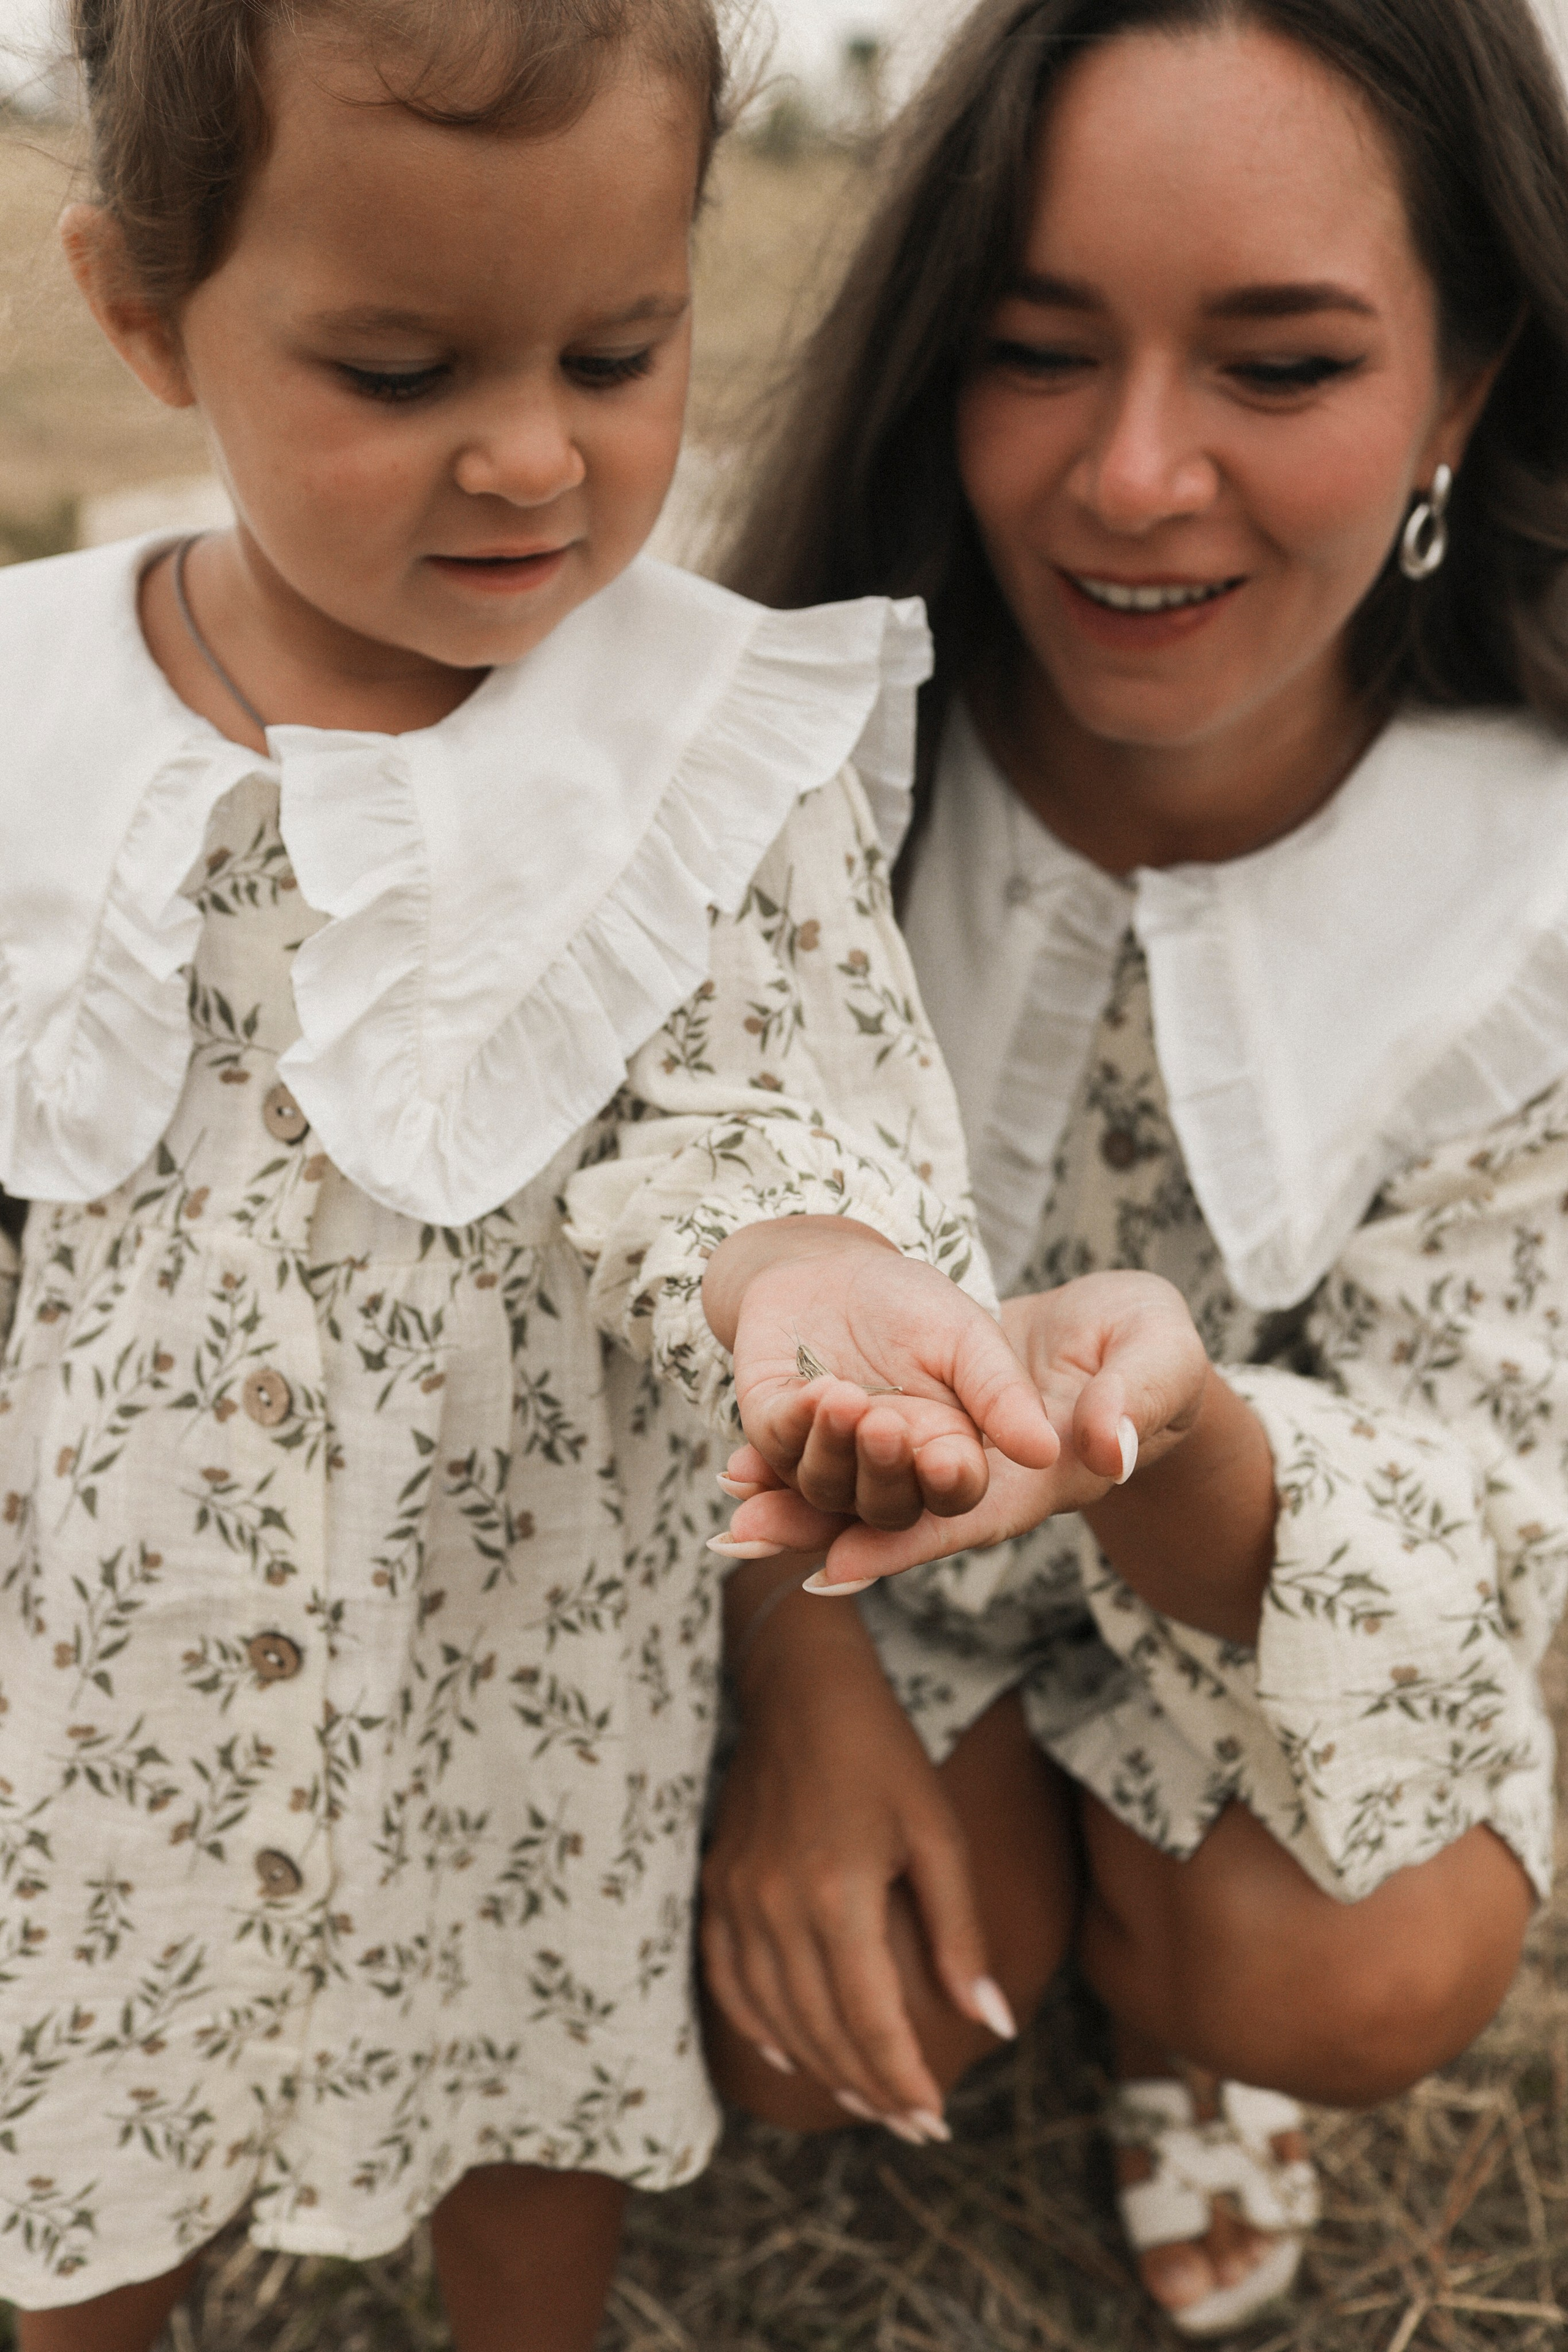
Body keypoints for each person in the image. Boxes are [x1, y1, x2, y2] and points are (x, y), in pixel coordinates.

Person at [0, 1, 1212, 2342]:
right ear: (145, 316)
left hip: (530, 1636)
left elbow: (763, 1116)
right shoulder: (42, 706)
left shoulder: (692, 744)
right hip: (107, 1650)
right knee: (83, 2113)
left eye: (616, 348)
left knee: (534, 2092)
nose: (533, 458)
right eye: (398, 372)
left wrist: (814, 1286)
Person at [704, 0, 1568, 2334]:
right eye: (1033, 349)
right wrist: (802, 1708)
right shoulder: (779, 747)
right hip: (835, 1592)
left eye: (1280, 366)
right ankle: (1005, 1864)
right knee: (789, 2053)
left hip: (1242, 1593)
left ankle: (1187, 2012)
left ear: (1463, 388)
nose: (1134, 477)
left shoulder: (1531, 896)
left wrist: (1162, 1434)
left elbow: (1472, 1521)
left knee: (1372, 1953)